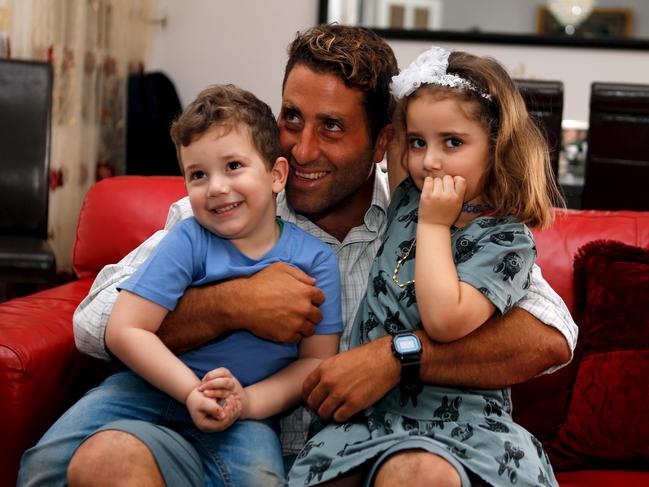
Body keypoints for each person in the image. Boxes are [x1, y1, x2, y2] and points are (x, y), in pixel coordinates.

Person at [20, 24, 577, 487]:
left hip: (341, 452)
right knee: (87, 462)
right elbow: (91, 323)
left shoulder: (427, 218)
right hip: (191, 429)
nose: (300, 149)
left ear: (383, 142)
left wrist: (396, 356)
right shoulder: (228, 204)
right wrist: (230, 305)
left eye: (332, 127)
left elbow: (550, 338)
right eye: (291, 118)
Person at [19, 84, 343, 486]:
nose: (217, 187)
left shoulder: (315, 258)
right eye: (198, 175)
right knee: (43, 465)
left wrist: (247, 403)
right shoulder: (188, 239)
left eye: (234, 166)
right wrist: (191, 391)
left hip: (243, 407)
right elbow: (125, 329)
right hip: (145, 391)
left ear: (276, 175)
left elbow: (314, 362)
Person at [288, 46, 563, 487]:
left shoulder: (504, 241)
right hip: (371, 419)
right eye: (418, 142)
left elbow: (445, 320)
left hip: (459, 426)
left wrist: (434, 226)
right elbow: (399, 134)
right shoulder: (408, 196)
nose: (430, 160)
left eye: (452, 142)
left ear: (497, 147)